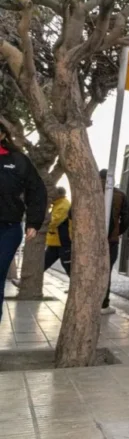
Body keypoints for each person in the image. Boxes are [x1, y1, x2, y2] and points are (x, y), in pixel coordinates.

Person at [0, 123, 47, 321]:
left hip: (8, 229)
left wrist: (33, 222)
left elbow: (36, 189)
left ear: (3, 135)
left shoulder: (18, 160)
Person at [100, 169, 129, 315]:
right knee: (106, 271)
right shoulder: (120, 195)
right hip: (111, 241)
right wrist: (116, 232)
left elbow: (71, 214)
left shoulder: (91, 191)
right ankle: (103, 303)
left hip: (91, 241)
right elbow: (126, 219)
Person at [44, 187, 71, 271]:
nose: (50, 196)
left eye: (52, 194)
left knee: (68, 267)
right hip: (55, 242)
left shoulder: (63, 206)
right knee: (43, 264)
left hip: (63, 242)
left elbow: (53, 222)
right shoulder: (57, 204)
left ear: (58, 195)